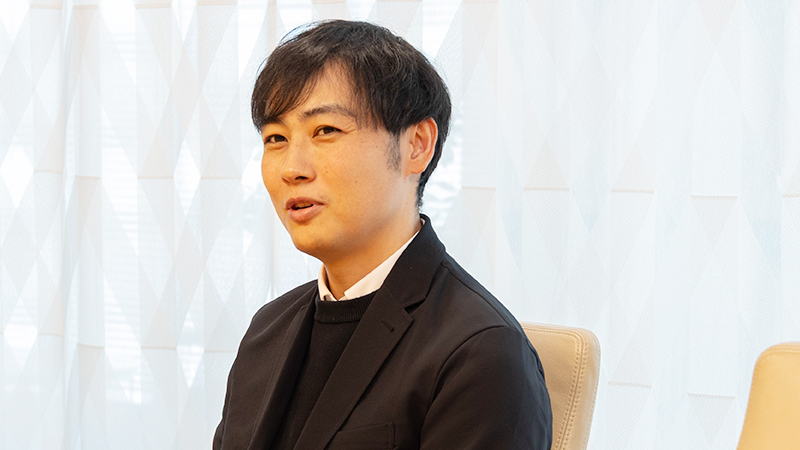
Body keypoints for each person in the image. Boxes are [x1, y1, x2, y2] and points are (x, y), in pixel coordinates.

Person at [213, 20, 552, 450]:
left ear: (417, 145)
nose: (292, 168)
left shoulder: (480, 351)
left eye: (326, 131)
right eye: (276, 138)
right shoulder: (268, 330)